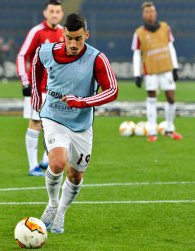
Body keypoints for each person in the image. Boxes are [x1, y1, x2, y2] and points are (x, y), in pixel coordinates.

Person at [32, 13, 118, 233]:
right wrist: (36, 92)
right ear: (63, 34)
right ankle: (52, 205)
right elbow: (36, 61)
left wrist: (82, 102)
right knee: (58, 163)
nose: (72, 44)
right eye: (68, 38)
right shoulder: (48, 51)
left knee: (75, 174)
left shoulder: (97, 58)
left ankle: (61, 212)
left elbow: (112, 90)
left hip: (81, 124)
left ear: (86, 35)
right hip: (53, 116)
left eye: (78, 39)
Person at [16, 0, 64, 176]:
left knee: (57, 125)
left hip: (56, 89)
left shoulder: (63, 33)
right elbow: (23, 55)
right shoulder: (37, 32)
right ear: (45, 13)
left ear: (61, 14)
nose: (54, 14)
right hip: (37, 88)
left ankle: (45, 160)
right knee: (36, 123)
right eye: (51, 11)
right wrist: (25, 81)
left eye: (57, 11)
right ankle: (32, 166)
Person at [132, 2, 182, 142]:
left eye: (152, 11)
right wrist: (137, 73)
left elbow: (171, 47)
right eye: (147, 12)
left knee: (171, 97)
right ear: (143, 14)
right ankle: (152, 131)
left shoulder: (165, 28)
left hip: (166, 68)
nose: (150, 14)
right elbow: (136, 54)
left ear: (156, 13)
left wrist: (175, 67)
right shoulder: (139, 33)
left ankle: (170, 129)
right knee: (152, 98)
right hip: (150, 71)